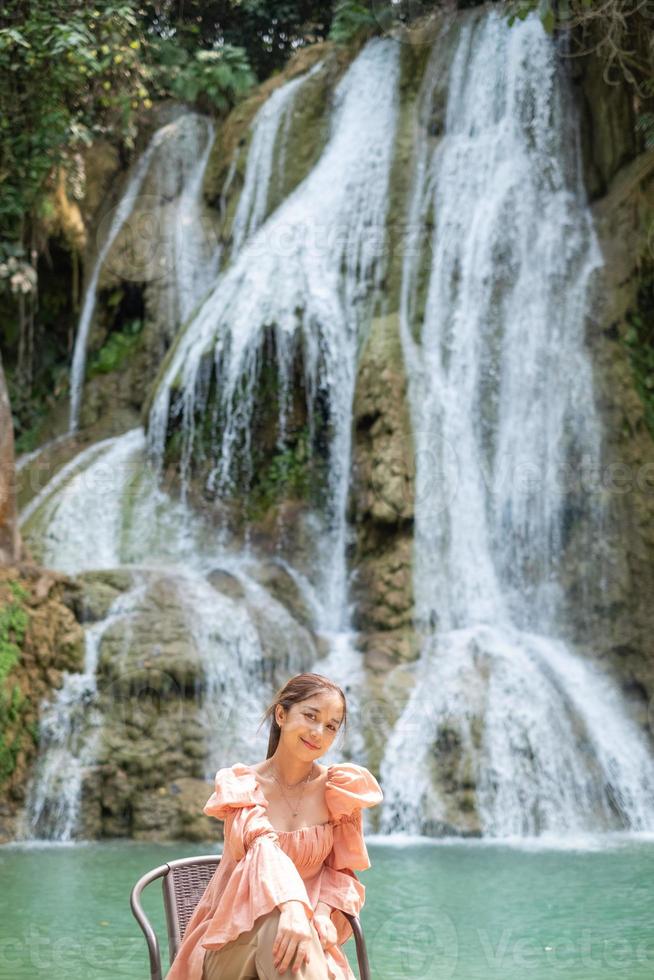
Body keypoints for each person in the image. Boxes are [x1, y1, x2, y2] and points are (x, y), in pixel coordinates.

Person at [163, 672, 383, 980]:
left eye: (331, 726)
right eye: (311, 716)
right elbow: (262, 849)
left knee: (291, 942)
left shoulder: (338, 791)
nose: (318, 732)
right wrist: (293, 906)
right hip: (228, 943)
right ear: (281, 714)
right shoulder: (242, 786)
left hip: (305, 939)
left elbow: (340, 872)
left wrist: (319, 913)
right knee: (276, 921)